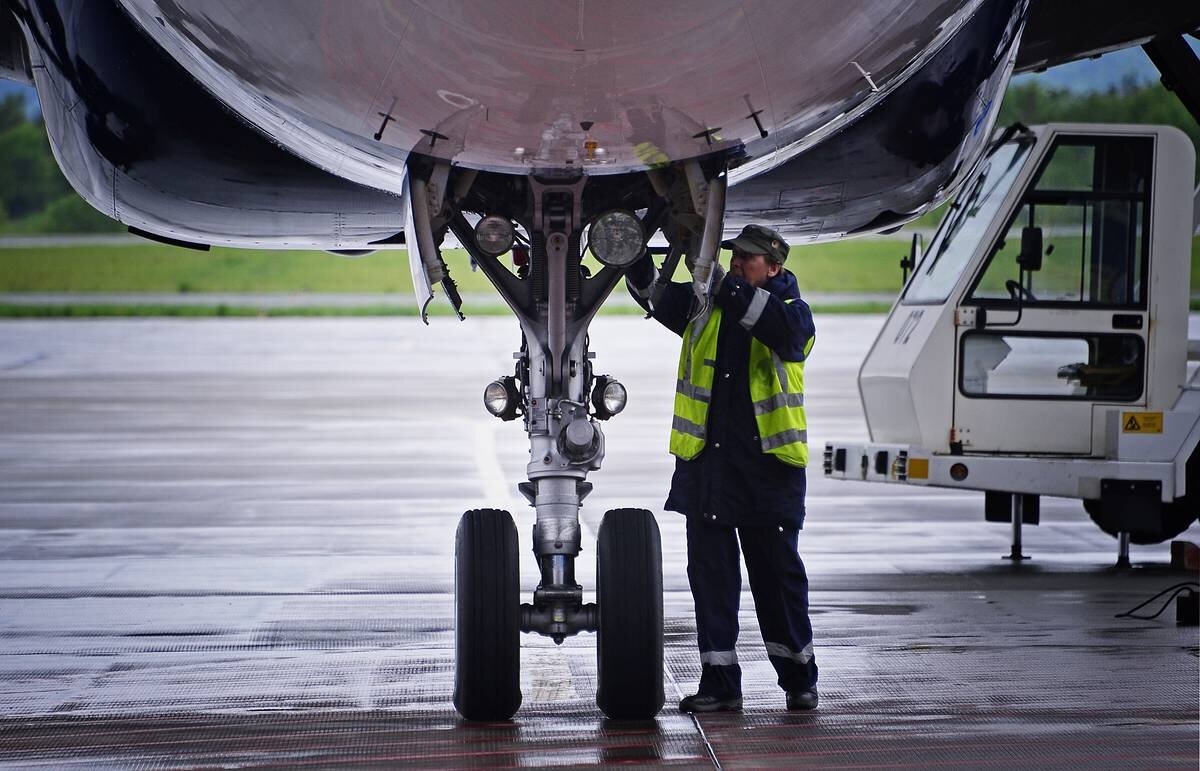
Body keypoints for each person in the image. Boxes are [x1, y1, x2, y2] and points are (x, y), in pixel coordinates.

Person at [626, 223, 819, 712]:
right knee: (711, 582)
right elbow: (656, 298)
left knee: (778, 581)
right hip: (709, 472)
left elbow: (779, 330)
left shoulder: (795, 315)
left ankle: (799, 678)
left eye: (747, 260)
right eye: (734, 258)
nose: (736, 265)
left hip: (766, 475)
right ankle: (719, 682)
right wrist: (632, 257)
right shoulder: (709, 308)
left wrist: (719, 281)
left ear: (775, 268)